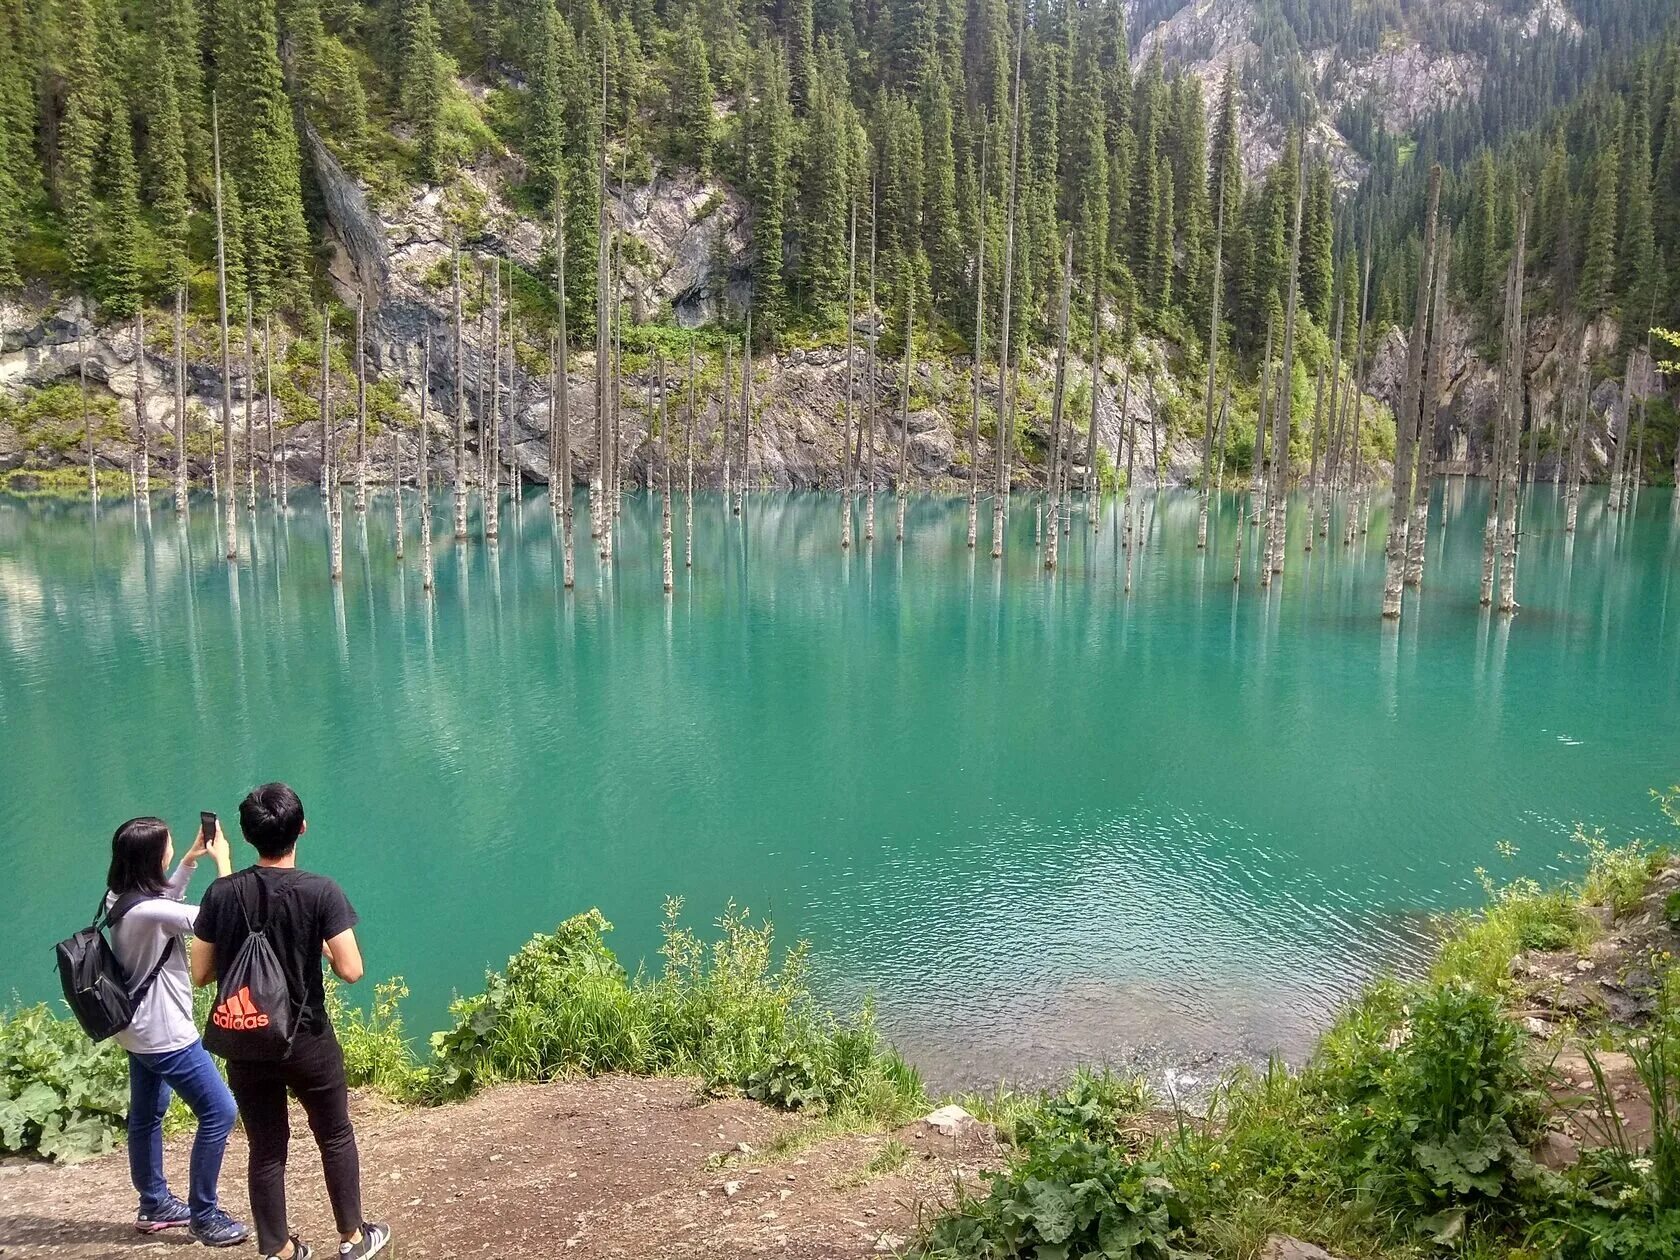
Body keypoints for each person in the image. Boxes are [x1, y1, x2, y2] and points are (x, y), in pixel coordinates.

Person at [192, 783, 392, 1260]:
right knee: (335, 1134)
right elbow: (351, 970)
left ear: (246, 835)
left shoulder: (221, 894)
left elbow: (200, 974)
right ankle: (353, 1239)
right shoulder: (321, 891)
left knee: (266, 1147)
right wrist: (317, 942)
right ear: (301, 828)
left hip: (247, 1038)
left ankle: (278, 1250)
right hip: (307, 1040)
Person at [105, 816, 251, 1247]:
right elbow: (217, 918)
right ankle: (204, 1215)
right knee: (220, 1111)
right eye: (169, 847)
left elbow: (162, 902)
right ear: (152, 858)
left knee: (148, 1113)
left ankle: (154, 1204)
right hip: (166, 1033)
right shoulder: (151, 911)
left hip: (136, 1028)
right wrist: (223, 863)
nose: (172, 850)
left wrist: (189, 861)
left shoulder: (121, 896)